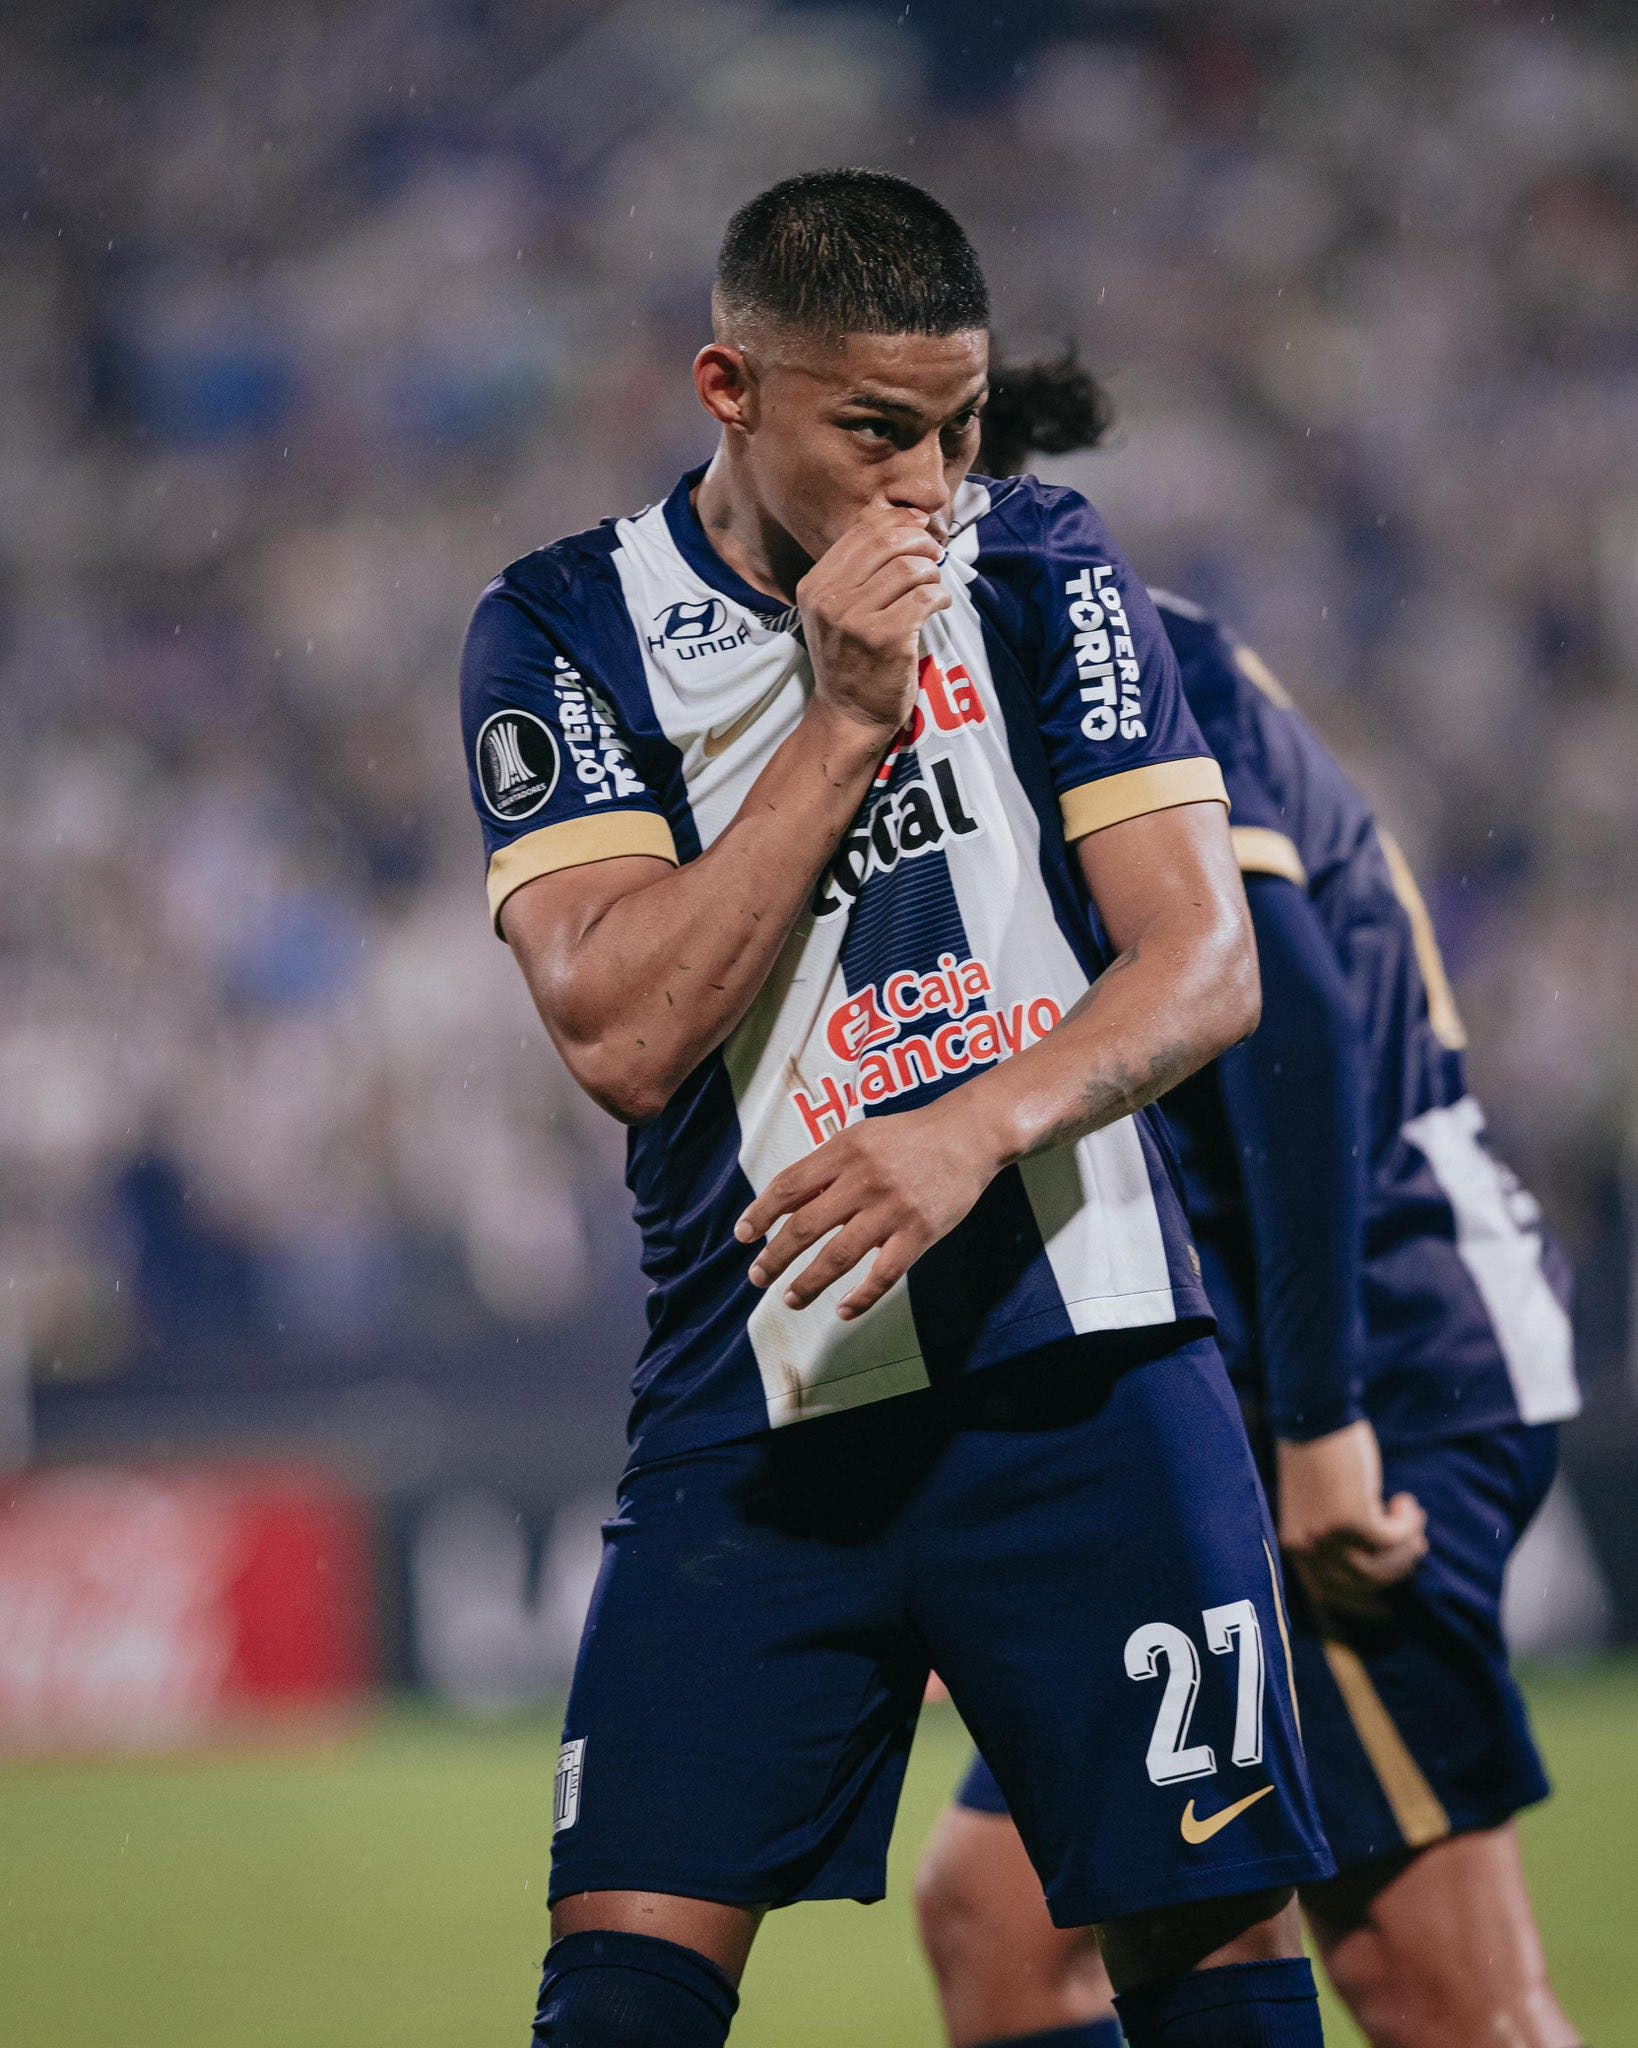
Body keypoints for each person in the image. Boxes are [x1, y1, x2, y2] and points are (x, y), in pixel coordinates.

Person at [460, 169, 1336, 2048]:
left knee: (1218, 1978)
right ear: (728, 387)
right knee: (613, 2004)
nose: (929, 487)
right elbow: (620, 1037)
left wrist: (972, 1127)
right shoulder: (562, 627)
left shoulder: (1042, 559)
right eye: (875, 431)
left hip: (1089, 1385)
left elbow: (1205, 963)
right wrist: (846, 715)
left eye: (957, 425)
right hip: (759, 1407)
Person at [914, 356, 1583, 2048]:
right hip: (1240, 1391)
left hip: (1365, 1360)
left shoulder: (1143, 665)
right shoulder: (1004, 703)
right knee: (1000, 1923)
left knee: (1427, 1985)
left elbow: (1277, 1021)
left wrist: (1320, 1426)